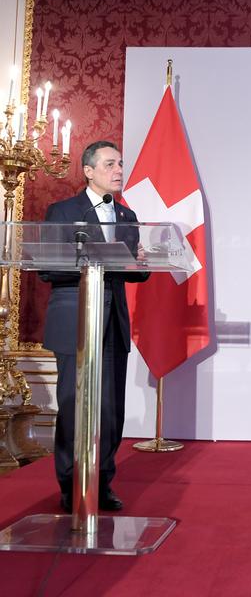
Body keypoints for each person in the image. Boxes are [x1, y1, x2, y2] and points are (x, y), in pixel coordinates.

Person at [41, 141, 149, 513]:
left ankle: (102, 482)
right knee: (74, 406)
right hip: (74, 320)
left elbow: (136, 273)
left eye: (120, 163)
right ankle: (71, 485)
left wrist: (142, 262)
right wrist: (97, 259)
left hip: (113, 325)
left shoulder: (126, 215)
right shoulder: (62, 211)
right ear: (88, 171)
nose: (118, 170)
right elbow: (47, 267)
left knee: (110, 409)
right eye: (109, 164)